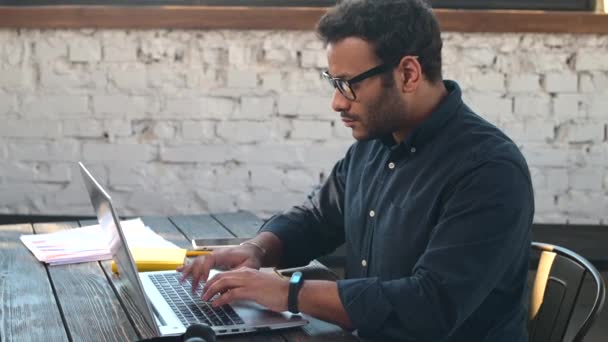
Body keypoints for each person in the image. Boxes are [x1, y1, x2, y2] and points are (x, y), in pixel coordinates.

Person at [178, 0, 534, 340]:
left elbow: (430, 305)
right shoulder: (374, 145)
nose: (337, 102)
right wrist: (257, 250)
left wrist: (290, 293)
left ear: (408, 73)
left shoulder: (489, 171)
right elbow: (317, 219)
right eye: (333, 83)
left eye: (349, 84)